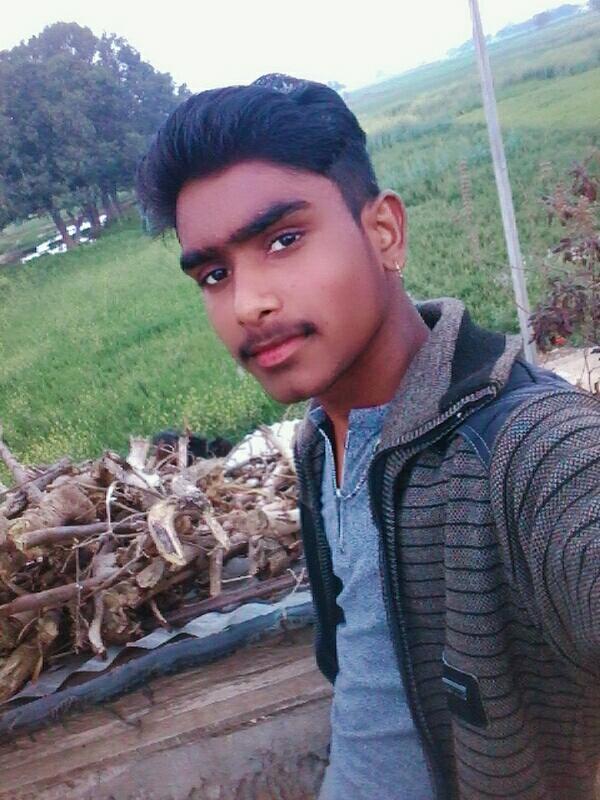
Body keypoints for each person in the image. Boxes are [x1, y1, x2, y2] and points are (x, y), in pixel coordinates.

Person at [136, 74, 600, 800]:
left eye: (284, 240)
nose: (248, 303)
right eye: (216, 274)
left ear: (384, 232)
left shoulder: (527, 450)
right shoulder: (321, 441)